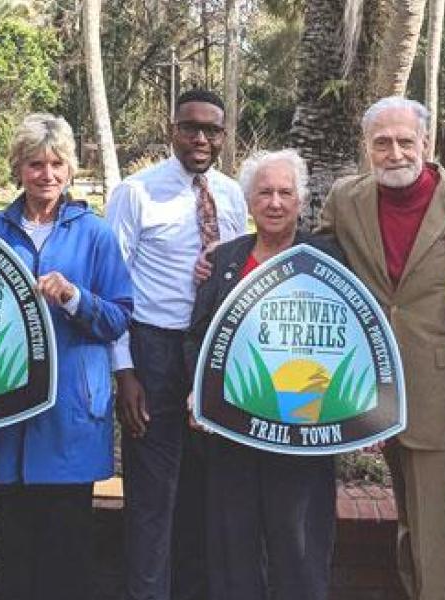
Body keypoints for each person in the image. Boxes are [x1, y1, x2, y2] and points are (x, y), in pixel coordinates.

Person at [314, 96, 445, 600]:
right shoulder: (346, 200)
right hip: (362, 381)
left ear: (426, 144)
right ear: (367, 148)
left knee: (433, 519)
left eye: (405, 141)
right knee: (406, 512)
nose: (394, 152)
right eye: (382, 143)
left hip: (436, 380)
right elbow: (318, 264)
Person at [0, 113, 133, 600]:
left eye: (57, 163)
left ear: (71, 169)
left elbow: (120, 316)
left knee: (68, 554)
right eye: (36, 164)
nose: (48, 175)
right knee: (13, 552)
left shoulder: (96, 234)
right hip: (8, 410)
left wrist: (74, 298)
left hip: (72, 409)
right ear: (18, 167)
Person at [106, 89, 247, 600]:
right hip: (154, 350)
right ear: (172, 131)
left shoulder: (232, 194)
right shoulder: (136, 192)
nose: (201, 138)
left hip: (214, 352)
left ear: (223, 136)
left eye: (212, 129)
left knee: (205, 494)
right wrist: (125, 372)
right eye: (191, 127)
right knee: (152, 496)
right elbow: (111, 284)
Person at [182, 149, 340, 600]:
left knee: (300, 555)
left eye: (285, 193)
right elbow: (198, 336)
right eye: (264, 192)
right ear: (249, 202)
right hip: (232, 435)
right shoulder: (225, 259)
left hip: (303, 434)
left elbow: (350, 338)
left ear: (300, 200)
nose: (274, 202)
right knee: (234, 554)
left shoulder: (326, 259)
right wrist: (199, 391)